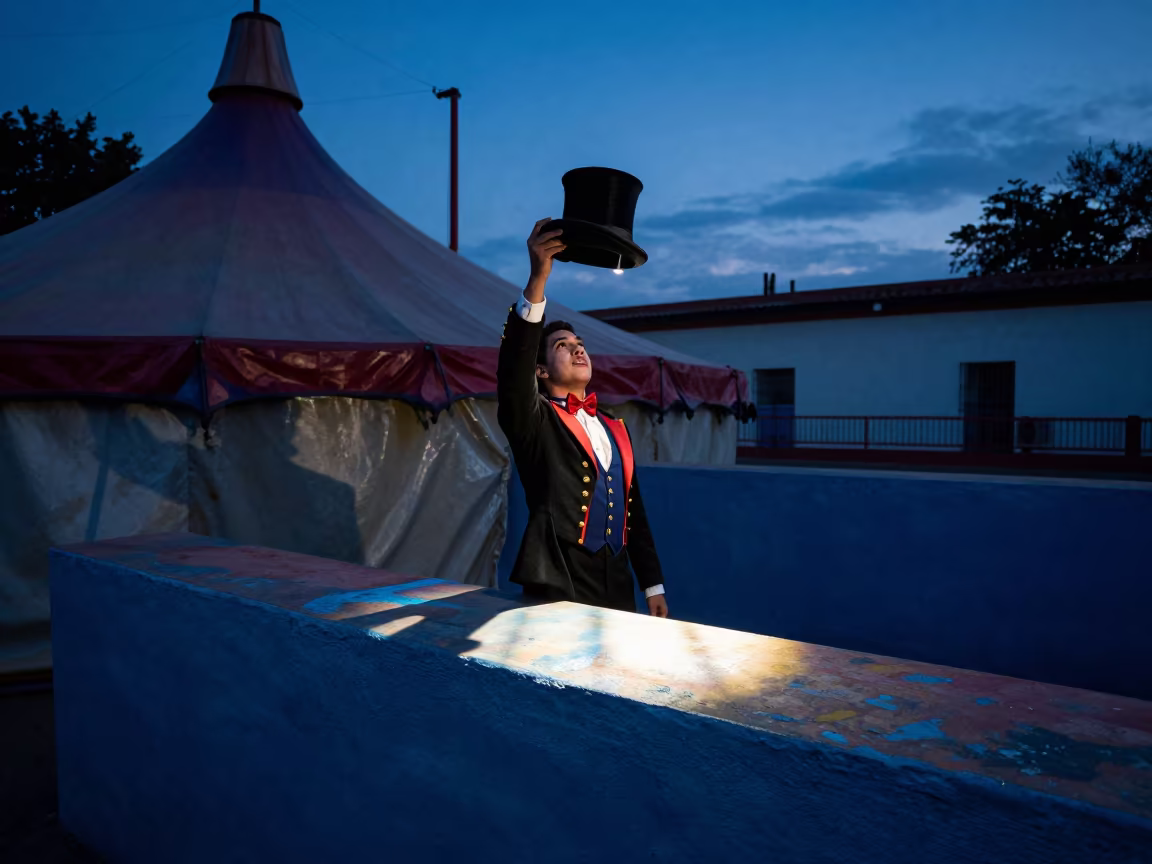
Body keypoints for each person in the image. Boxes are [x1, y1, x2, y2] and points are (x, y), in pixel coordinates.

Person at [497, 218, 669, 617]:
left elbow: (634, 512)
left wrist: (652, 584)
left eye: (580, 343)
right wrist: (538, 279)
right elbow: (513, 370)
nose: (578, 350)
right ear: (541, 371)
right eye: (562, 345)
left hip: (617, 584)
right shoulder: (534, 419)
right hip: (557, 580)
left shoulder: (615, 427)